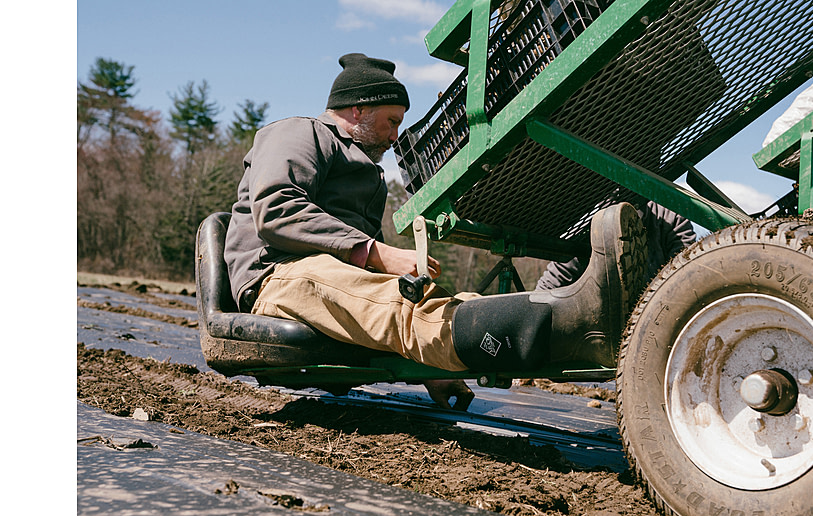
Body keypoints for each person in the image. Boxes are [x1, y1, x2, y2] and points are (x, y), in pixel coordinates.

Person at [224, 53, 648, 412]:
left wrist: (431, 369)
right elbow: (275, 210)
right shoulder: (299, 133)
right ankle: (581, 323)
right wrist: (377, 253)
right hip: (276, 276)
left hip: (327, 279)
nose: (395, 135)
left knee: (431, 300)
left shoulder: (367, 172)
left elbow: (363, 294)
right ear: (357, 110)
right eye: (391, 121)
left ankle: (571, 322)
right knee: (395, 301)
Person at [536, 201, 697, 292]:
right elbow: (551, 285)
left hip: (659, 314)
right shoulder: (591, 227)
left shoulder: (670, 218)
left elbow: (687, 275)